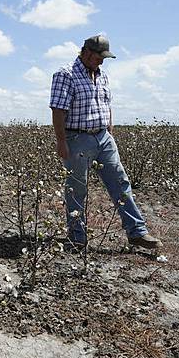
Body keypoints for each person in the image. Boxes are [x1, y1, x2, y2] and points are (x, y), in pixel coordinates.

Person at [49, 35, 162, 250]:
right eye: (100, 57)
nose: (102, 61)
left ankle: (137, 232)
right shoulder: (65, 74)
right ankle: (77, 238)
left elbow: (106, 104)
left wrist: (109, 129)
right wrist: (61, 141)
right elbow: (58, 109)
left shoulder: (102, 75)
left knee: (120, 183)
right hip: (76, 138)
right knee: (76, 189)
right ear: (87, 52)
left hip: (103, 138)